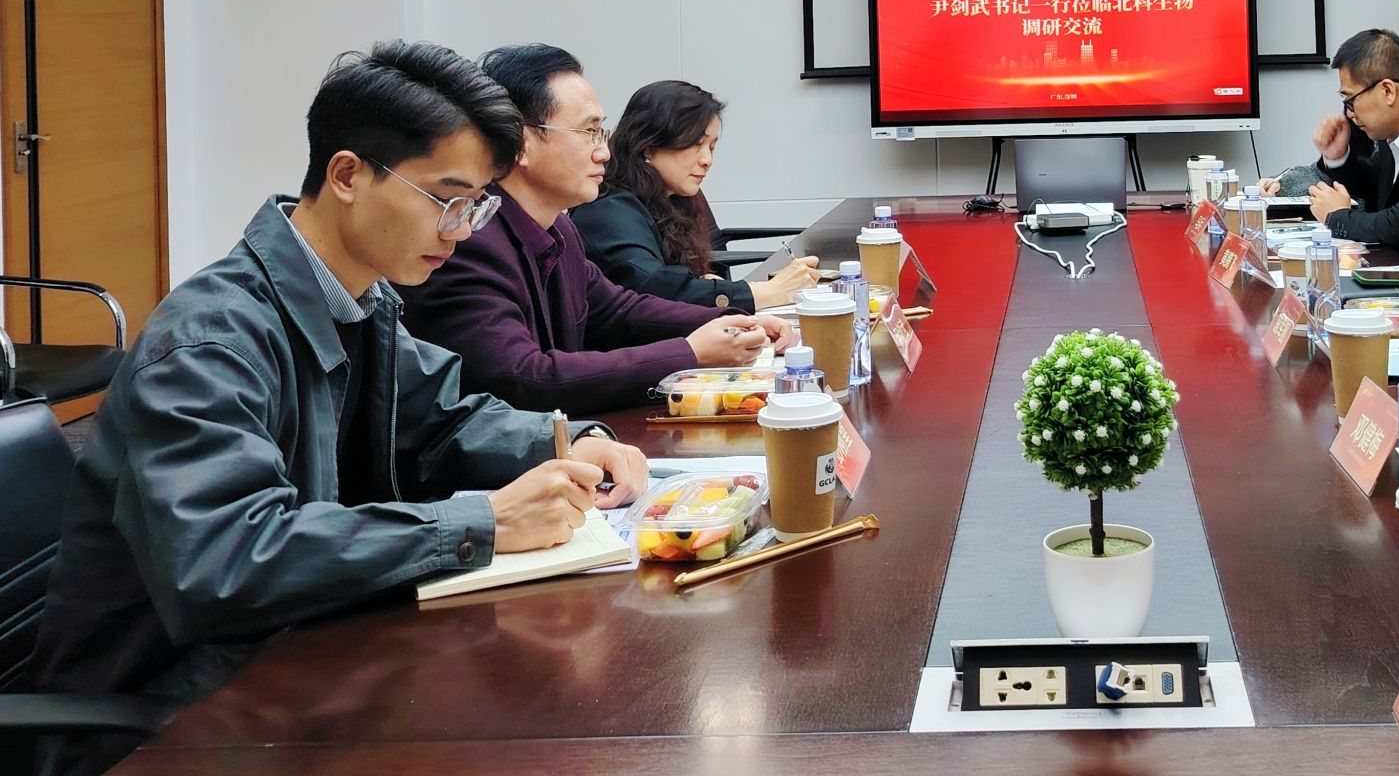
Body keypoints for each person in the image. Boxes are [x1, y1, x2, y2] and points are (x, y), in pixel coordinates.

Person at [31, 43, 651, 776]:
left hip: (301, 661)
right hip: (170, 718)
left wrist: (564, 440)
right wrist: (481, 522)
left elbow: (443, 416)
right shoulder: (210, 342)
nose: (460, 230)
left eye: (476, 205)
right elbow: (228, 557)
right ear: (348, 175)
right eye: (446, 200)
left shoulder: (362, 298)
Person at [399, 44, 794, 418]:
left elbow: (617, 310)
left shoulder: (559, 228)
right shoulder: (469, 238)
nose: (603, 151)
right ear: (520, 142)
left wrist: (734, 321)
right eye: (589, 132)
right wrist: (689, 353)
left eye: (601, 133)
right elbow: (523, 377)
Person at [1260, 28, 1399, 274]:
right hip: (1395, 272)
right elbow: (1373, 189)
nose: (1349, 113)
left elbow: (1397, 226)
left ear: (1388, 91)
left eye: (1350, 100)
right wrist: (1338, 157)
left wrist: (1336, 216)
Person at [572, 80, 820, 308]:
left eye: (712, 147)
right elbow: (655, 290)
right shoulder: (607, 208)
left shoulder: (676, 198)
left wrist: (707, 282)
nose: (707, 160)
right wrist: (765, 292)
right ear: (648, 144)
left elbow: (689, 282)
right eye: (695, 144)